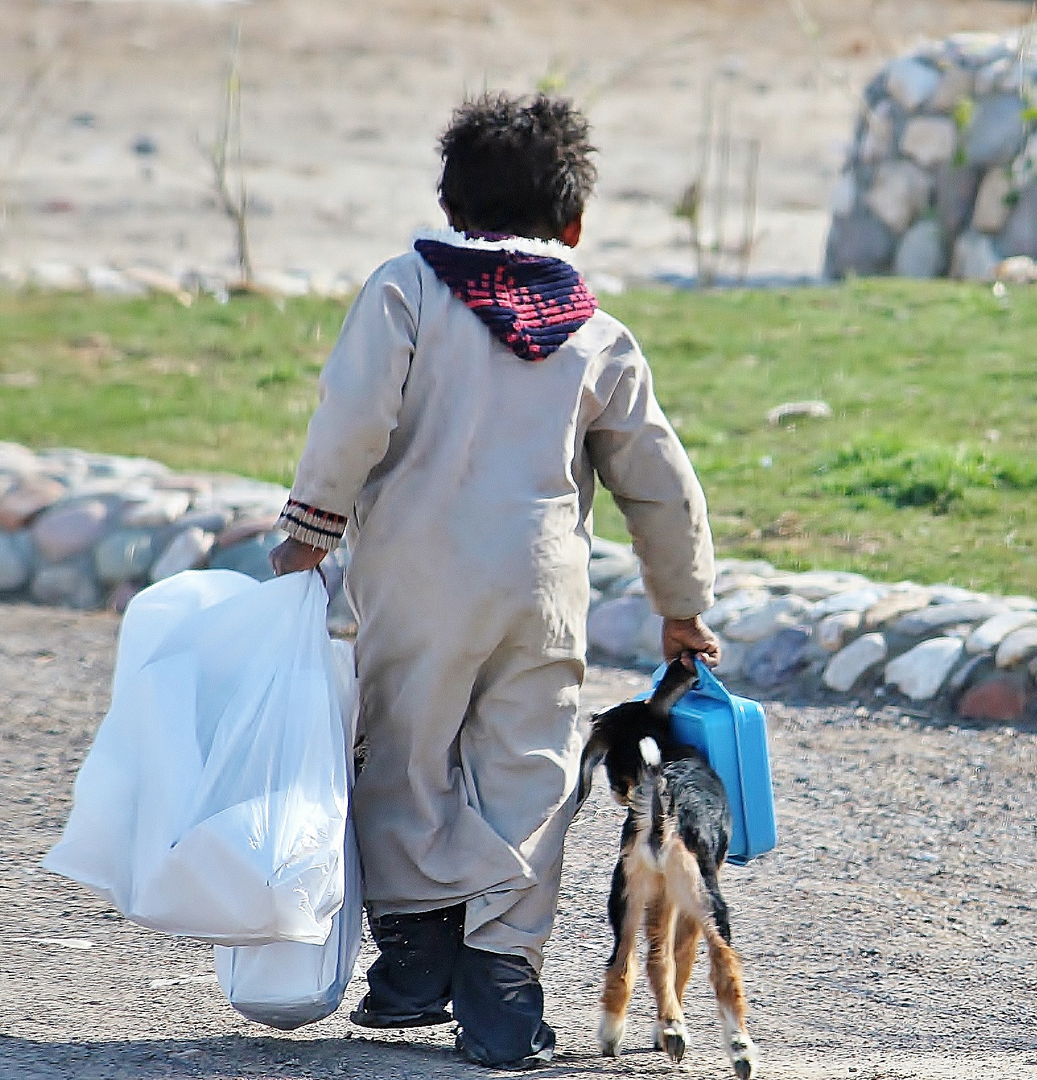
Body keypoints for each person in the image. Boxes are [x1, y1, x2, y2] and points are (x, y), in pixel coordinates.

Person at [267, 93, 719, 1071]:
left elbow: (352, 421)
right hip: (541, 590)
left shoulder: (404, 291)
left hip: (414, 582)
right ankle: (502, 991)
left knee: (403, 756)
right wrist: (681, 606)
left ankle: (412, 965)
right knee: (530, 775)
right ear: (574, 223)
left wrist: (306, 534)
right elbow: (658, 484)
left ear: (450, 204)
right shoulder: (596, 331)